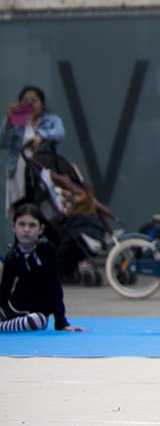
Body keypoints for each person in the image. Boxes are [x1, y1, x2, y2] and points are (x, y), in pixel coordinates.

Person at [1, 204, 82, 332]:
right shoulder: (13, 255)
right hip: (16, 307)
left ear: (41, 229)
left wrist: (61, 322)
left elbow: (55, 286)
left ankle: (3, 327)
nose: (26, 229)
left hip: (38, 312)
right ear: (13, 227)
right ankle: (7, 325)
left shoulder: (47, 251)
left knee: (36, 321)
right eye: (21, 224)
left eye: (32, 225)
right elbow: (5, 289)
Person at [4, 86, 65, 213]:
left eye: (34, 100)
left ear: (42, 104)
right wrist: (9, 122)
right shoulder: (18, 120)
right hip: (19, 172)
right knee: (22, 209)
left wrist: (42, 135)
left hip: (43, 170)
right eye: (25, 101)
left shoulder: (51, 119)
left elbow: (60, 133)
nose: (30, 104)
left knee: (44, 208)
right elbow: (3, 142)